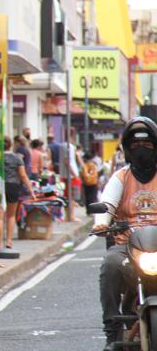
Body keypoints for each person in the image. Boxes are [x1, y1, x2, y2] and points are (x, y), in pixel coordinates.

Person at [92, 117, 157, 348]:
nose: (142, 150)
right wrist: (101, 222)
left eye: (148, 145)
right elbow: (107, 204)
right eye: (136, 146)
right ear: (128, 149)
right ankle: (112, 327)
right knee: (110, 264)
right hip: (128, 247)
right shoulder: (121, 177)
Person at [3, 137, 37, 248]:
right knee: (11, 215)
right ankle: (8, 240)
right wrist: (31, 191)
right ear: (11, 145)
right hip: (13, 186)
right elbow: (23, 175)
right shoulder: (16, 158)